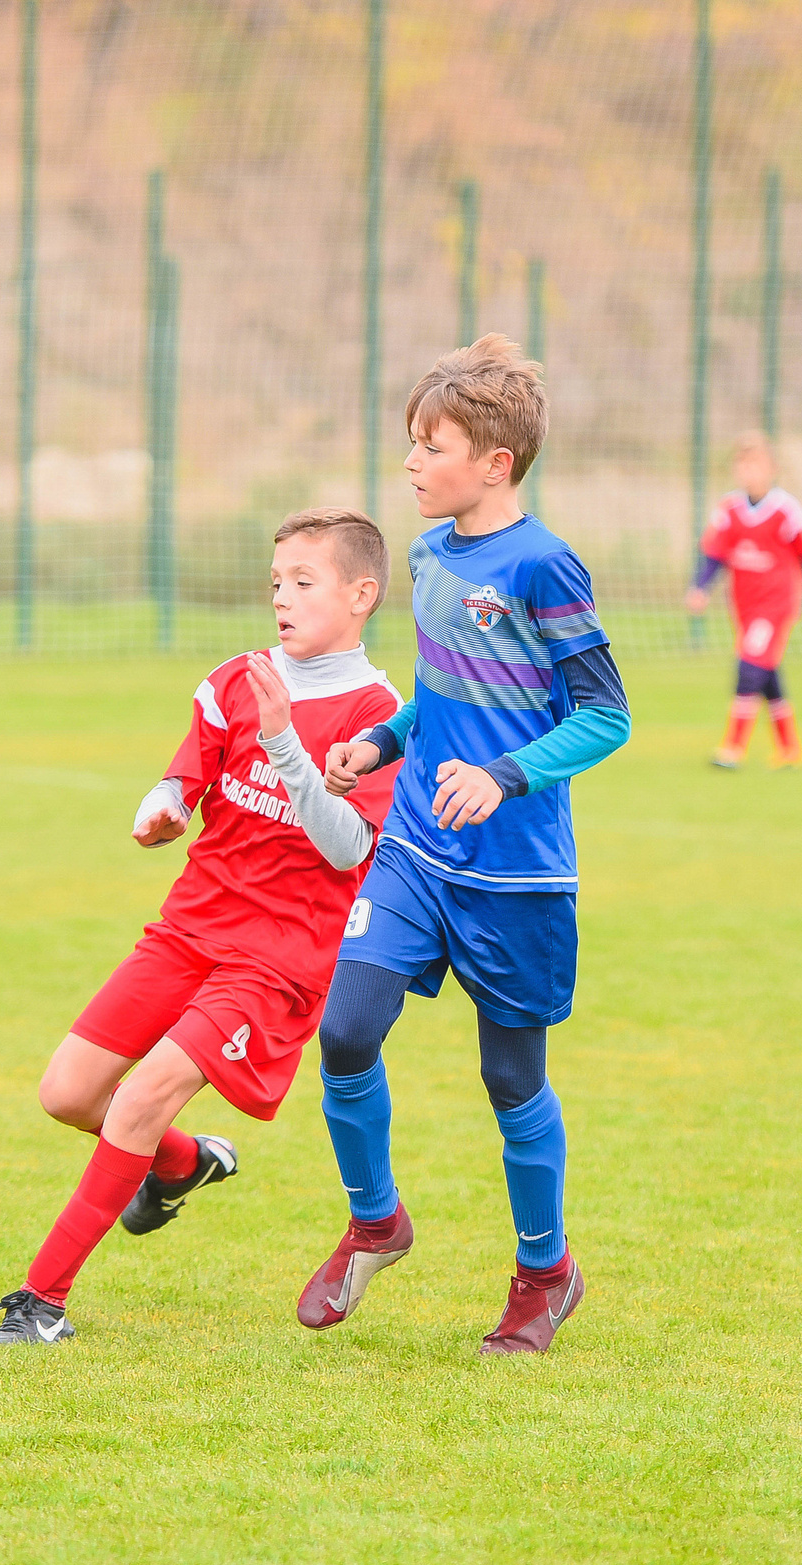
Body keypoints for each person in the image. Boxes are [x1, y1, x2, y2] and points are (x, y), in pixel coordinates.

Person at [0, 509, 405, 1345]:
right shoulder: (235, 679)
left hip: (277, 960)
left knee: (138, 1098)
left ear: (363, 594)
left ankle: (42, 1304)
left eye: (304, 582)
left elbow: (348, 844)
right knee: (67, 1093)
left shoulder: (379, 710)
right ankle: (182, 1163)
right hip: (189, 930)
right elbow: (185, 778)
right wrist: (164, 807)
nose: (282, 596)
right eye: (276, 580)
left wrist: (288, 744)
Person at [308, 334, 631, 1356]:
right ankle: (376, 1220)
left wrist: (503, 774)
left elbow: (605, 716)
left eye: (430, 444)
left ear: (494, 462)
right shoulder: (428, 552)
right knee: (346, 1028)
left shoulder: (545, 564)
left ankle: (545, 1273)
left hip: (517, 869)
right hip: (414, 846)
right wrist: (382, 739)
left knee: (510, 1081)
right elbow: (444, 688)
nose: (410, 463)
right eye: (410, 442)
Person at [686, 430, 802, 769]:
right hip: (744, 607)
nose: (750, 472)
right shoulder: (730, 510)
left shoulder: (786, 510)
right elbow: (715, 556)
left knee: (749, 668)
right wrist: (700, 587)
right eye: (744, 465)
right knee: (767, 674)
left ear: (772, 468)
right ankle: (789, 748)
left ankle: (733, 747)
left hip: (776, 606)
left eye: (757, 465)